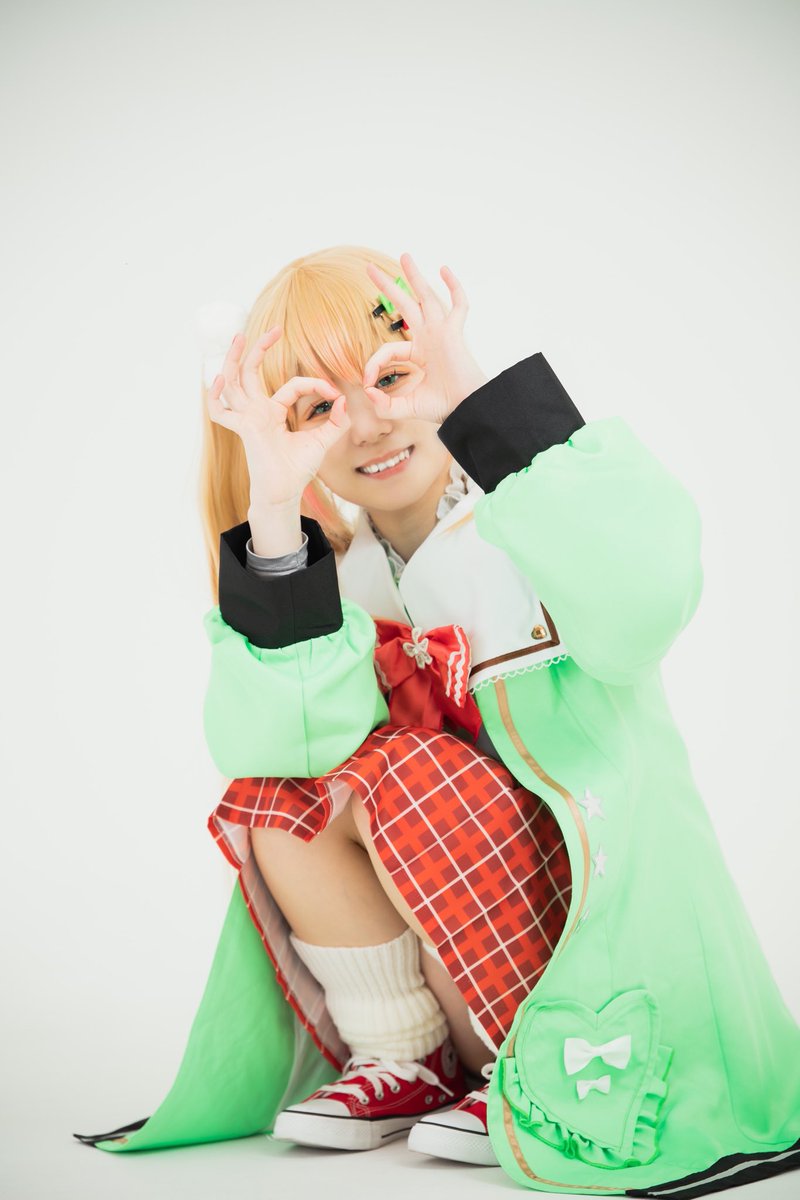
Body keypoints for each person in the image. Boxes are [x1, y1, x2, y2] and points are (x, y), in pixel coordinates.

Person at [75, 246, 800, 1195]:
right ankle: (402, 1056)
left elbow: (645, 603)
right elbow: (281, 750)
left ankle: (525, 1073)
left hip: (585, 961)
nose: (370, 423)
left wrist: (478, 398)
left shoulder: (535, 519)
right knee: (279, 796)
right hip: (450, 966)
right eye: (318, 407)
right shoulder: (346, 580)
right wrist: (277, 501)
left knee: (409, 769)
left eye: (391, 379)